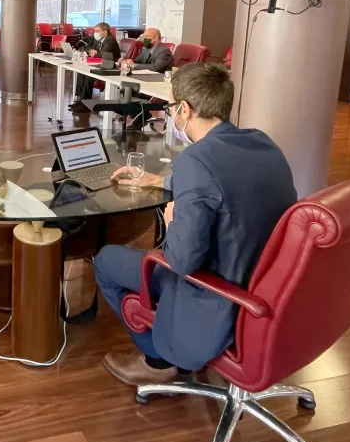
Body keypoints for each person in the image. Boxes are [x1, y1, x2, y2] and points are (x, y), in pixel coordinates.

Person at [94, 62, 296, 385]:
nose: (173, 115)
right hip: (263, 290)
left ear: (185, 110)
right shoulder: (263, 144)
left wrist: (172, 223)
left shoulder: (195, 161)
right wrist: (158, 180)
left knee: (106, 261)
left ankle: (157, 360)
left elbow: (183, 260)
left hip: (214, 298)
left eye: (173, 107)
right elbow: (227, 185)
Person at [71, 22, 122, 112]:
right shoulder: (99, 39)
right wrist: (90, 50)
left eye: (97, 31)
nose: (95, 33)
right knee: (81, 73)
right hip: (101, 63)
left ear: (105, 32)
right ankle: (80, 100)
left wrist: (94, 52)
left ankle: (86, 104)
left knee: (88, 76)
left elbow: (102, 54)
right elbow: (89, 49)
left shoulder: (110, 40)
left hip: (111, 66)